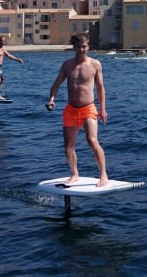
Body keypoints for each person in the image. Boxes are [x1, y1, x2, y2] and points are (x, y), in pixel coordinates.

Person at [47, 32, 108, 187]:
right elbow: (56, 84)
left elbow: (100, 88)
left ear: (88, 47)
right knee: (68, 145)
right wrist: (51, 100)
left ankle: (103, 175)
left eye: (84, 47)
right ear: (74, 47)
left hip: (88, 108)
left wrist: (102, 109)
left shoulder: (95, 64)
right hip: (71, 110)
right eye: (79, 47)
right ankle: (74, 174)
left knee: (92, 141)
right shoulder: (67, 65)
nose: (82, 50)